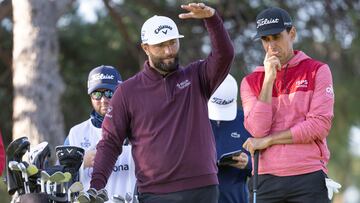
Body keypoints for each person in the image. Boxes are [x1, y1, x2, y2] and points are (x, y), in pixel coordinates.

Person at [90, 2, 234, 203]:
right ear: (146, 48)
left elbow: (224, 55)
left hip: (203, 188)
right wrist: (95, 186)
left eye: (172, 42)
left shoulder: (197, 76)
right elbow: (110, 142)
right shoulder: (127, 92)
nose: (169, 51)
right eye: (161, 45)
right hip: (155, 194)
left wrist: (212, 19)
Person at [240, 7, 334, 203]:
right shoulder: (250, 82)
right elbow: (258, 130)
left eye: (276, 37)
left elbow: (319, 125)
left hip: (308, 175)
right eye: (266, 40)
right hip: (265, 179)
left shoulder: (318, 70)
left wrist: (270, 140)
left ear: (292, 34)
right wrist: (268, 80)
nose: (271, 46)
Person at [64, 65, 136, 202]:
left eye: (110, 93)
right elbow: (59, 177)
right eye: (97, 94)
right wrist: (81, 162)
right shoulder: (76, 133)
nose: (103, 99)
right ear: (90, 96)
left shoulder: (137, 128)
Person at [208, 74, 252, 203]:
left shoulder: (247, 120)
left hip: (235, 198)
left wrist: (248, 162)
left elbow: (264, 166)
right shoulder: (193, 118)